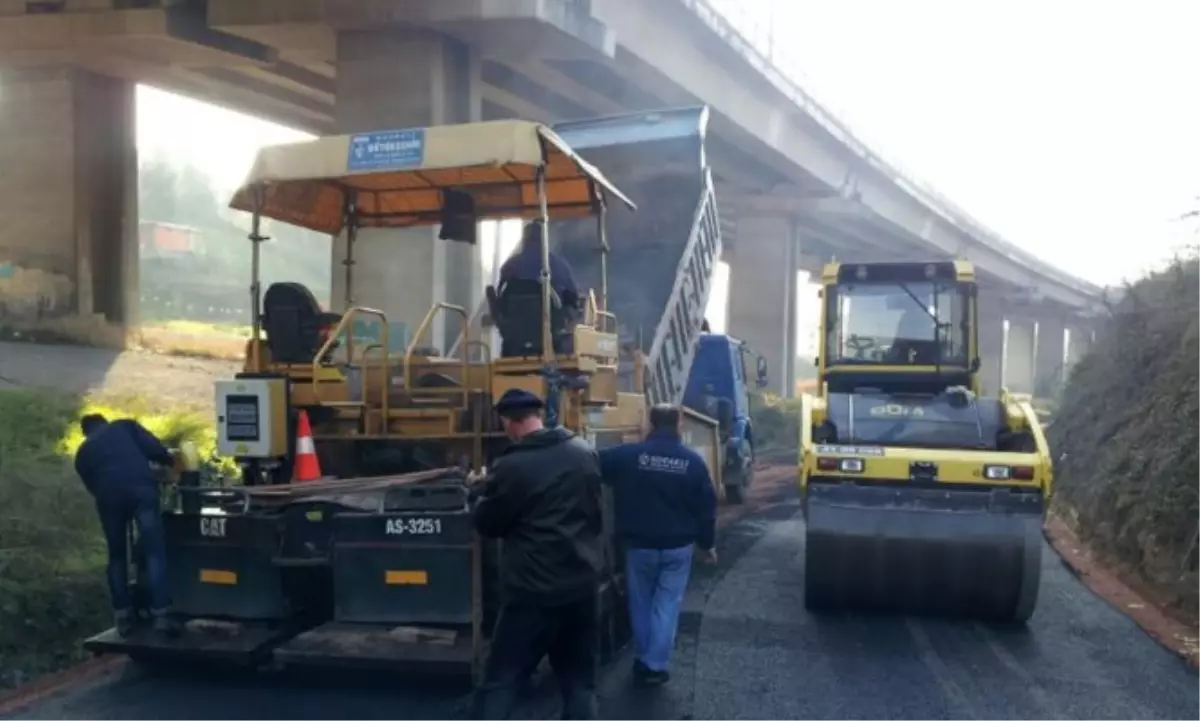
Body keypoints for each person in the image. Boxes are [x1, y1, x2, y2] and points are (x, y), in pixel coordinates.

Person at [469, 389, 605, 721]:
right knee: (579, 684)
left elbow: (490, 524)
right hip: (580, 588)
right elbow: (595, 514)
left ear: (509, 422)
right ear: (539, 415)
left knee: (501, 682)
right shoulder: (583, 452)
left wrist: (476, 493)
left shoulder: (512, 466)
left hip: (531, 594)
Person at [598, 404, 717, 686]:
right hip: (678, 547)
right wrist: (706, 544)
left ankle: (642, 657)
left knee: (640, 603)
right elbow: (706, 508)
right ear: (679, 424)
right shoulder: (693, 462)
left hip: (639, 547)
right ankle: (655, 664)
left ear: (650, 424)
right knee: (667, 604)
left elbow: (589, 463)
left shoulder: (627, 456)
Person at [74, 414, 178, 637]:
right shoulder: (123, 426)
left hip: (108, 499)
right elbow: (156, 450)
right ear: (104, 422)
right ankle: (160, 615)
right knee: (154, 553)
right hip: (141, 491)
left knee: (117, 555)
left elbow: (92, 486)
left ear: (85, 432)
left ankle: (123, 615)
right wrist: (168, 462)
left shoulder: (82, 453)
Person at [498, 220, 581, 310]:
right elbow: (573, 296)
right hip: (552, 320)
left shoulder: (510, 265)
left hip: (513, 319)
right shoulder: (557, 265)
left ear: (524, 240)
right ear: (544, 239)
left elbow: (500, 292)